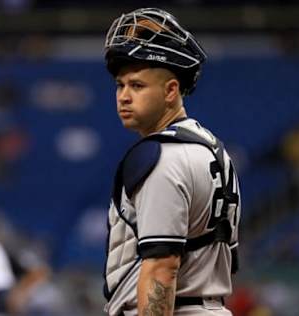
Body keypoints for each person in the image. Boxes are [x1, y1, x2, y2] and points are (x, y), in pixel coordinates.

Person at [102, 8, 241, 316]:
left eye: (137, 85)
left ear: (171, 91)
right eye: (120, 85)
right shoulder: (213, 148)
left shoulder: (160, 156)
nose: (124, 96)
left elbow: (162, 268)